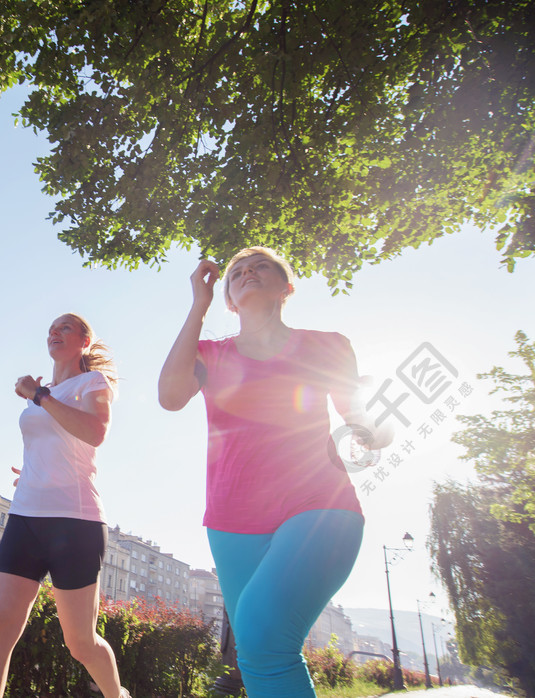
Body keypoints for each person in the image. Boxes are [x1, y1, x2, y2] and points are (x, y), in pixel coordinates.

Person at [158, 248, 393, 697]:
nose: (246, 272)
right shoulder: (209, 353)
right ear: (227, 299)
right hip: (231, 522)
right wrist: (197, 305)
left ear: (286, 287)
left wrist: (374, 431)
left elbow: (360, 416)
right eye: (236, 273)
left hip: (319, 507)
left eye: (260, 266)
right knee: (259, 656)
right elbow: (169, 396)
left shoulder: (328, 344)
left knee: (266, 641)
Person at [0, 313, 130, 698]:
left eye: (66, 327)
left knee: (81, 643)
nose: (54, 332)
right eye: (52, 328)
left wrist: (39, 396)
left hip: (76, 522)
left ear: (85, 342)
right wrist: (34, 473)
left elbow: (94, 432)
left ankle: (116, 695)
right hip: (26, 517)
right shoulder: (45, 394)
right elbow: (52, 446)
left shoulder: (91, 383)